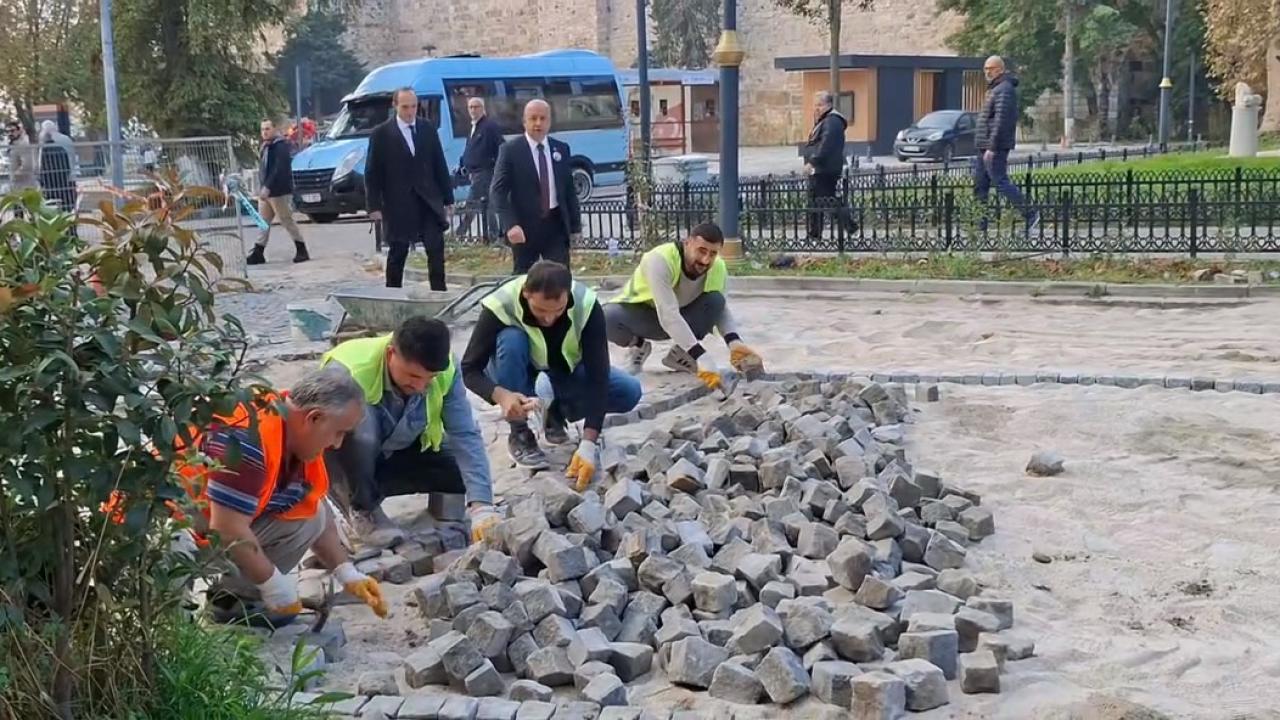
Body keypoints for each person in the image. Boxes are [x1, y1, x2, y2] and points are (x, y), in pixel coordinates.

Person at [182, 368, 388, 626]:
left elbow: (314, 509)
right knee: (175, 546)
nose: (337, 444)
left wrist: (347, 573)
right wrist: (273, 584)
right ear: (314, 418)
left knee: (312, 517)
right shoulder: (248, 440)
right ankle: (168, 631)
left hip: (210, 524)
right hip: (161, 529)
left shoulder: (293, 435)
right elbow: (227, 529)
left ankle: (234, 600)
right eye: (339, 432)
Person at [320, 316, 500, 548]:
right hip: (348, 459)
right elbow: (317, 437)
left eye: (430, 378)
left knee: (461, 468)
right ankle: (361, 508)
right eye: (413, 376)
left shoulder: (446, 369)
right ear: (390, 353)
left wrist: (481, 505)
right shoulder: (346, 372)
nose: (420, 386)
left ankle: (437, 506)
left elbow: (464, 434)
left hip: (397, 451)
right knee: (360, 432)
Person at [461, 260, 642, 479]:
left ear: (568, 296)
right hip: (512, 371)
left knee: (629, 391)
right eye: (540, 310)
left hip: (563, 371)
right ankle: (519, 433)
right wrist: (502, 396)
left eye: (558, 310)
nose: (548, 318)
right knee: (511, 340)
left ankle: (556, 411)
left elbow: (599, 377)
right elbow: (469, 369)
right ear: (526, 293)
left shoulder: (586, 305)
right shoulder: (501, 304)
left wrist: (588, 443)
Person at [605, 221, 764, 386]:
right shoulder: (660, 260)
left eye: (712, 254)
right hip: (647, 316)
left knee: (715, 300)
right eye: (701, 251)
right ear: (688, 243)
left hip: (684, 318)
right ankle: (638, 347)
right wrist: (701, 356)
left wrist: (734, 342)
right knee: (605, 317)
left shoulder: (717, 266)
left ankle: (680, 356)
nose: (705, 260)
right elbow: (668, 315)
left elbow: (720, 309)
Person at [366, 87, 455, 290]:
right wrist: (374, 206)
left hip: (428, 201)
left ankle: (439, 294)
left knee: (435, 249)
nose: (410, 111)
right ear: (395, 106)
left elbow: (439, 163)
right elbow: (373, 172)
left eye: (414, 106)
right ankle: (393, 295)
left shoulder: (427, 129)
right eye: (405, 107)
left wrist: (448, 199)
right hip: (398, 204)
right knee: (398, 252)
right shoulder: (381, 134)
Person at [490, 99, 582, 273]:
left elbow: (569, 190)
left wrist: (575, 227)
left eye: (543, 118)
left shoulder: (561, 149)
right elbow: (498, 191)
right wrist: (510, 225)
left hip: (555, 226)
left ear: (549, 121)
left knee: (560, 277)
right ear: (525, 122)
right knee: (524, 280)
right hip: (524, 229)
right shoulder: (510, 150)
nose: (538, 123)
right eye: (533, 118)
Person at [974, 56, 1039, 232]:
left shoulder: (1004, 90)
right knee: (980, 185)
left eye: (991, 68)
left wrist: (992, 148)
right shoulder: (995, 89)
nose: (987, 72)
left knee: (1000, 181)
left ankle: (1030, 213)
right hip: (984, 146)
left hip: (993, 147)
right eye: (985, 68)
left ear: (1000, 69)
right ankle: (980, 225)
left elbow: (1001, 121)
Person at [247, 117, 310, 265]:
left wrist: (267, 186)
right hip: (267, 192)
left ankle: (301, 249)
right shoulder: (265, 147)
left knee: (286, 220)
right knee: (263, 222)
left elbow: (278, 169)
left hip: (279, 191)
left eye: (267, 129)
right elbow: (264, 169)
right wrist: (262, 186)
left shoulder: (280, 146)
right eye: (262, 129)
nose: (265, 132)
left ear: (274, 129)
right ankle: (258, 251)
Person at [803, 91, 856, 241]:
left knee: (826, 201)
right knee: (819, 201)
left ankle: (848, 226)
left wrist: (813, 161)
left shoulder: (832, 122)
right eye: (815, 105)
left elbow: (826, 145)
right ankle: (815, 233)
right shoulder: (825, 120)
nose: (816, 108)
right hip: (821, 169)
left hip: (825, 169)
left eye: (819, 105)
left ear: (828, 105)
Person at [456, 96, 504, 243]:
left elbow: (501, 146)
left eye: (476, 107)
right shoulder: (473, 126)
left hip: (485, 171)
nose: (473, 110)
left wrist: (495, 166)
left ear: (483, 109)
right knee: (485, 204)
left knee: (473, 203)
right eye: (470, 107)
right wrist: (463, 163)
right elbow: (470, 149)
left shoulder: (489, 126)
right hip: (473, 172)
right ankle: (493, 234)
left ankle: (461, 233)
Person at [37, 123, 77, 215]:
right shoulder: (67, 139)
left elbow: (41, 165)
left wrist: (41, 181)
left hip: (51, 183)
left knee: (53, 208)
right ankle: (71, 227)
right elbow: (72, 158)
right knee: (68, 207)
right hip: (68, 179)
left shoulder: (45, 145)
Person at [5, 121, 37, 194]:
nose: (10, 133)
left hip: (25, 186)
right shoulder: (13, 145)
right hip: (18, 186)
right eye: (7, 132)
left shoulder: (22, 144)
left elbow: (27, 165)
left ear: (19, 131)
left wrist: (15, 175)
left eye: (12, 131)